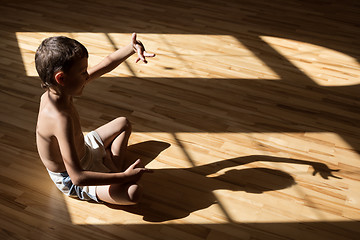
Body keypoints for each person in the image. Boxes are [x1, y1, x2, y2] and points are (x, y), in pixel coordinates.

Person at [35, 33, 155, 205]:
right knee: (133, 193)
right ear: (61, 78)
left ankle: (109, 166)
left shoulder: (59, 90)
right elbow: (77, 177)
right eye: (83, 72)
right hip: (73, 176)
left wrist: (132, 48)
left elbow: (106, 64)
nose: (87, 76)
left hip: (85, 149)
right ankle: (112, 168)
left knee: (123, 123)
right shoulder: (60, 119)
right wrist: (123, 177)